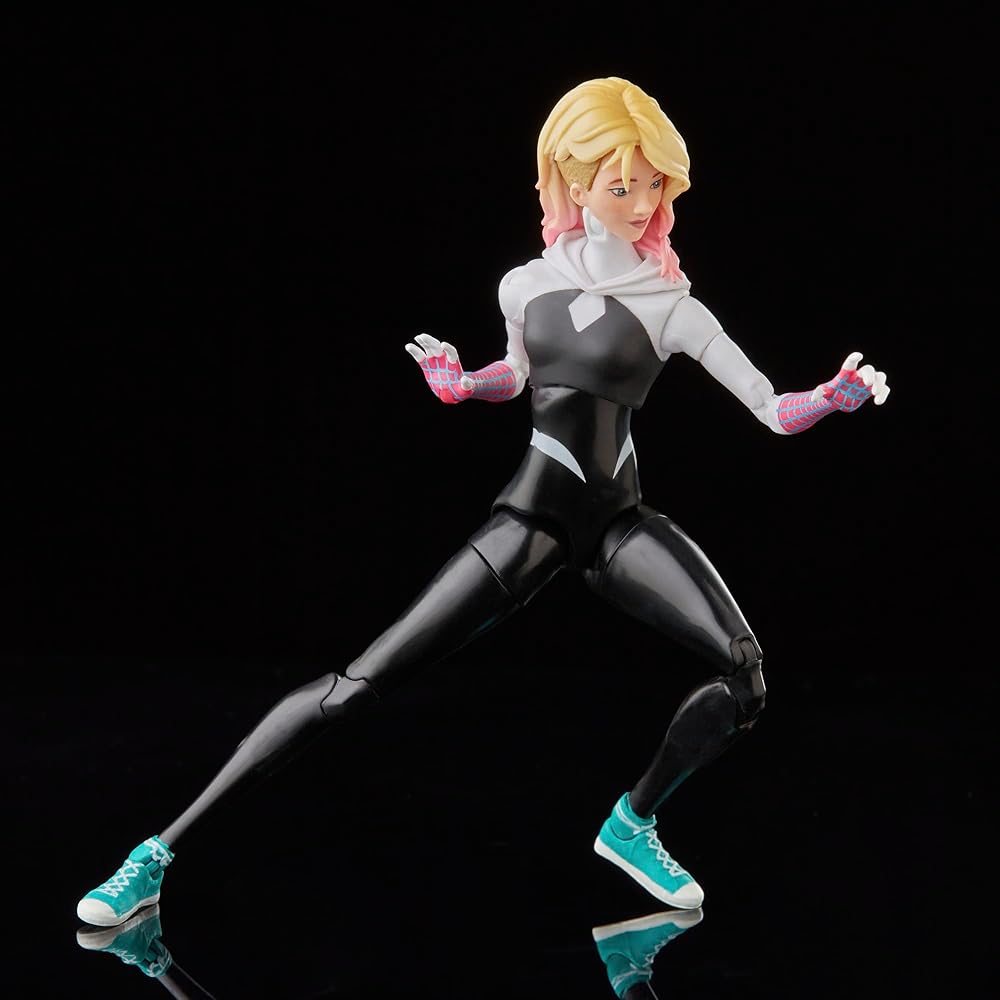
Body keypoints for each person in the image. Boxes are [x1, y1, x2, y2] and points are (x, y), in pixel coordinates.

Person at [76, 76, 889, 928]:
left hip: (617, 524)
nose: (643, 202)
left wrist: (828, 399)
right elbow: (518, 371)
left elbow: (771, 409)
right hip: (529, 521)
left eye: (654, 184)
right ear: (573, 183)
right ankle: (154, 856)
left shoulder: (672, 305)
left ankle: (632, 822)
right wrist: (466, 384)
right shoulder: (524, 284)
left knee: (745, 674)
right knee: (359, 685)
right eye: (621, 185)